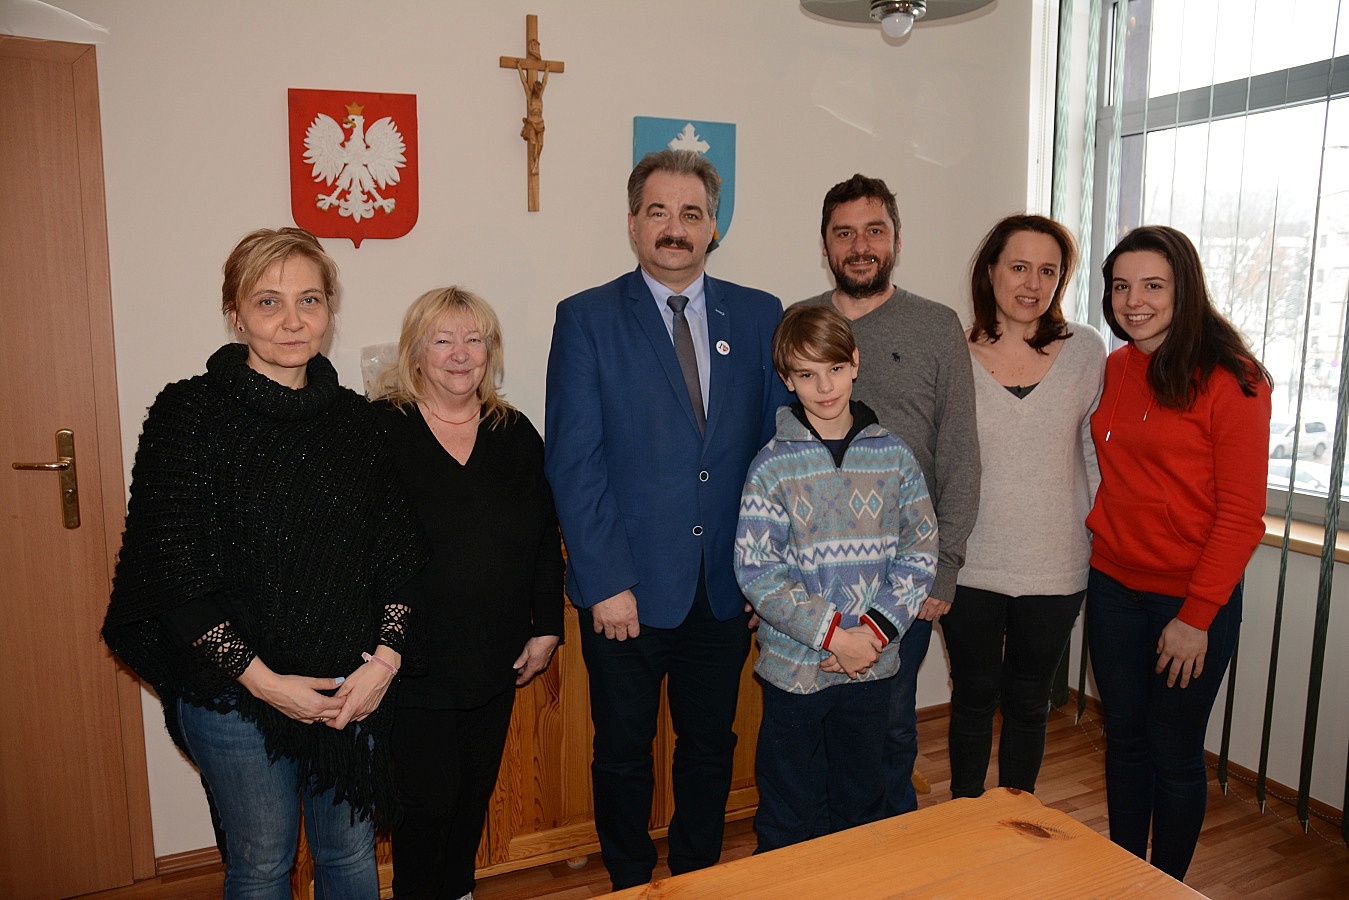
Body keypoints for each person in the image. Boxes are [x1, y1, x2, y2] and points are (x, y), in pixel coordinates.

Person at [102, 227, 426, 898]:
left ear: (330, 309)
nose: (292, 320)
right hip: (233, 690)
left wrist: (384, 664)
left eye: (310, 299)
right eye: (268, 301)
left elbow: (397, 556)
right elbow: (172, 576)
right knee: (261, 862)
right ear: (236, 314)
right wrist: (266, 683)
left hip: (349, 686)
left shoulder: (357, 422)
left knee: (349, 855)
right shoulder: (188, 414)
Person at [544, 149, 790, 890]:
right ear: (632, 224)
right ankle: (629, 880)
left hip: (723, 590)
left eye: (691, 214)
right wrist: (604, 581)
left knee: (709, 746)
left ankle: (695, 876)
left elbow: (775, 456)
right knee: (622, 753)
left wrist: (763, 574)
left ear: (714, 226)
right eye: (658, 212)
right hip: (625, 592)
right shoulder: (586, 318)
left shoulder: (760, 314)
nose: (674, 228)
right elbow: (574, 461)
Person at [1087, 225, 1271, 880]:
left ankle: (1164, 886)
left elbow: (1241, 515)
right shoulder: (1116, 367)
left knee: (1172, 749)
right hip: (1112, 585)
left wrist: (1195, 617)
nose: (1133, 301)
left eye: (1152, 286)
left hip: (1190, 600)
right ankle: (1123, 877)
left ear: (1183, 289)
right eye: (1121, 286)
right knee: (1123, 741)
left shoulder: (1233, 379)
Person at [796, 174, 979, 815]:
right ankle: (826, 858)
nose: (860, 246)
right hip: (813, 582)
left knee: (892, 727)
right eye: (844, 233)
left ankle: (892, 853)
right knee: (815, 732)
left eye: (874, 230)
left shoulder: (936, 326)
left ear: (896, 240)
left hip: (903, 579)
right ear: (825, 245)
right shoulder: (800, 323)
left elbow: (959, 452)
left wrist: (944, 567)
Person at [375, 287, 564, 900]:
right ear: (416, 353)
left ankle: (458, 890)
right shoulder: (381, 430)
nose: (460, 354)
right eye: (443, 340)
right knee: (427, 802)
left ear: (490, 351)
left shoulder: (516, 433)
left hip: (495, 654)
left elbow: (544, 536)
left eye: (473, 339)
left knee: (473, 794)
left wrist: (547, 625)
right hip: (414, 660)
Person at [734, 304, 937, 852]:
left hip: (871, 666)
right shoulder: (771, 466)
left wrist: (870, 634)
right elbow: (758, 570)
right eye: (806, 374)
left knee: (861, 804)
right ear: (787, 379)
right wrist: (833, 636)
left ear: (855, 364)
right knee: (788, 812)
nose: (824, 387)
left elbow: (920, 551)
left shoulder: (895, 457)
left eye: (834, 369)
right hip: (795, 671)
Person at [942, 214, 1106, 799]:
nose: (1032, 283)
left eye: (1048, 271)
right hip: (971, 562)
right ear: (991, 271)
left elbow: (1095, 451)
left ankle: (1015, 819)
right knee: (972, 697)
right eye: (1018, 267)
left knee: (1029, 701)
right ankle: (964, 818)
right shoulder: (953, 351)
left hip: (1056, 563)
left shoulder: (1087, 349)